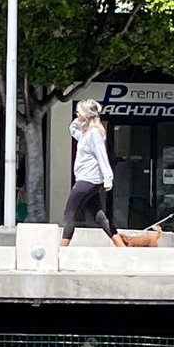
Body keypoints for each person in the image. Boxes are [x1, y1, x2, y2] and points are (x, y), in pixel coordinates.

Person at [63, 99, 126, 248]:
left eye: (79, 112)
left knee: (70, 213)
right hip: (87, 179)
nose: (76, 114)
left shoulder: (94, 134)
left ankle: (62, 250)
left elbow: (101, 155)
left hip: (87, 180)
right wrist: (81, 120)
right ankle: (122, 247)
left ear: (86, 114)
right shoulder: (85, 134)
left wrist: (108, 178)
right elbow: (72, 128)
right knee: (98, 216)